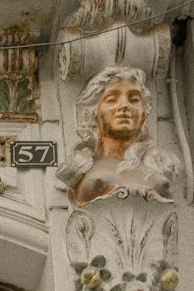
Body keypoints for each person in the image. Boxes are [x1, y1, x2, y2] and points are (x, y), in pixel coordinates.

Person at [57, 64, 181, 205]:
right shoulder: (82, 166)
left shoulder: (156, 164)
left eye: (134, 99)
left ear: (144, 115)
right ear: (94, 112)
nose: (124, 105)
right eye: (111, 99)